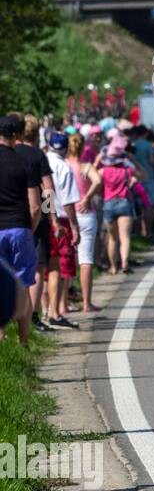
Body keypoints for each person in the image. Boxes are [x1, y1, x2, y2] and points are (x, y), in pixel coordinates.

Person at [12, 114, 55, 333]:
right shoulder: (37, 155)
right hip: (34, 217)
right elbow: (47, 190)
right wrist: (51, 217)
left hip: (9, 217)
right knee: (37, 268)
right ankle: (33, 314)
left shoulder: (10, 153)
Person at [0, 115, 41, 344]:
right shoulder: (26, 161)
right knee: (24, 285)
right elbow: (37, 205)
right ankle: (24, 341)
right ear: (16, 135)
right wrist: (31, 229)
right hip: (21, 228)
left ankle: (1, 337)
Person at [43, 133, 82, 328]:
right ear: (66, 148)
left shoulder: (41, 161)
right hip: (61, 220)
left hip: (45, 218)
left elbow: (46, 193)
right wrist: (74, 226)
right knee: (58, 267)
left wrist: (48, 214)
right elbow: (67, 200)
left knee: (43, 267)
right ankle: (56, 310)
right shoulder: (64, 167)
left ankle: (44, 310)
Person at [66, 134, 102, 313]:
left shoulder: (62, 166)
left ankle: (61, 304)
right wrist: (87, 197)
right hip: (85, 213)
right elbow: (98, 181)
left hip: (66, 214)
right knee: (86, 259)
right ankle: (87, 303)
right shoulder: (85, 167)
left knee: (66, 257)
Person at [97, 136, 139, 275]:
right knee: (125, 237)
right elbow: (144, 175)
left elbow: (91, 179)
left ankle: (113, 267)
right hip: (124, 202)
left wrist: (97, 160)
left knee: (112, 238)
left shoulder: (103, 171)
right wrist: (133, 160)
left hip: (108, 204)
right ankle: (125, 263)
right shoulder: (127, 170)